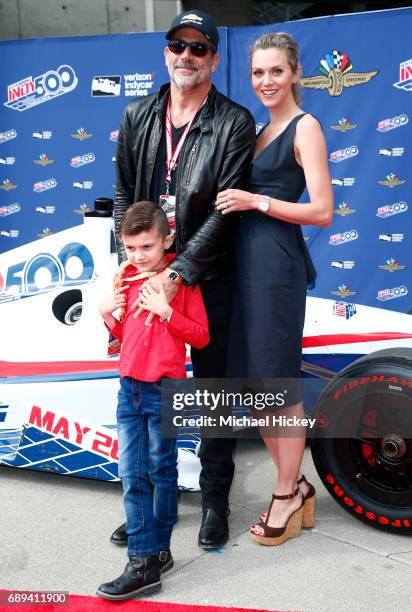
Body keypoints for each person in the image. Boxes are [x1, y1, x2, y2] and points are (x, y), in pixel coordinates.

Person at [111, 9, 256, 550]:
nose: (187, 57)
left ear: (214, 59)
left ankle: (215, 500)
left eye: (199, 48)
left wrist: (178, 275)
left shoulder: (234, 121)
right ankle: (152, 506)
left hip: (207, 276)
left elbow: (226, 211)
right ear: (166, 52)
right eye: (178, 46)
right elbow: (125, 196)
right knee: (153, 396)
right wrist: (125, 274)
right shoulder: (137, 115)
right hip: (147, 279)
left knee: (212, 393)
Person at [215, 32, 333, 545]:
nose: (266, 81)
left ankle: (286, 493)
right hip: (243, 267)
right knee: (253, 387)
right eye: (259, 73)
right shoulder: (262, 128)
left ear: (295, 73)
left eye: (276, 71)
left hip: (276, 270)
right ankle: (298, 485)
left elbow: (323, 211)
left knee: (278, 385)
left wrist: (257, 201)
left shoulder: (306, 127)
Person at [96, 201, 209, 600]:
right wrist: (107, 315)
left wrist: (166, 312)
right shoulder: (124, 278)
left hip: (166, 389)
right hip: (129, 386)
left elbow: (201, 336)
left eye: (147, 246)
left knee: (161, 469)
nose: (139, 256)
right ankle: (146, 556)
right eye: (131, 248)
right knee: (132, 473)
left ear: (167, 240)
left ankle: (155, 551)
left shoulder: (182, 282)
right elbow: (124, 337)